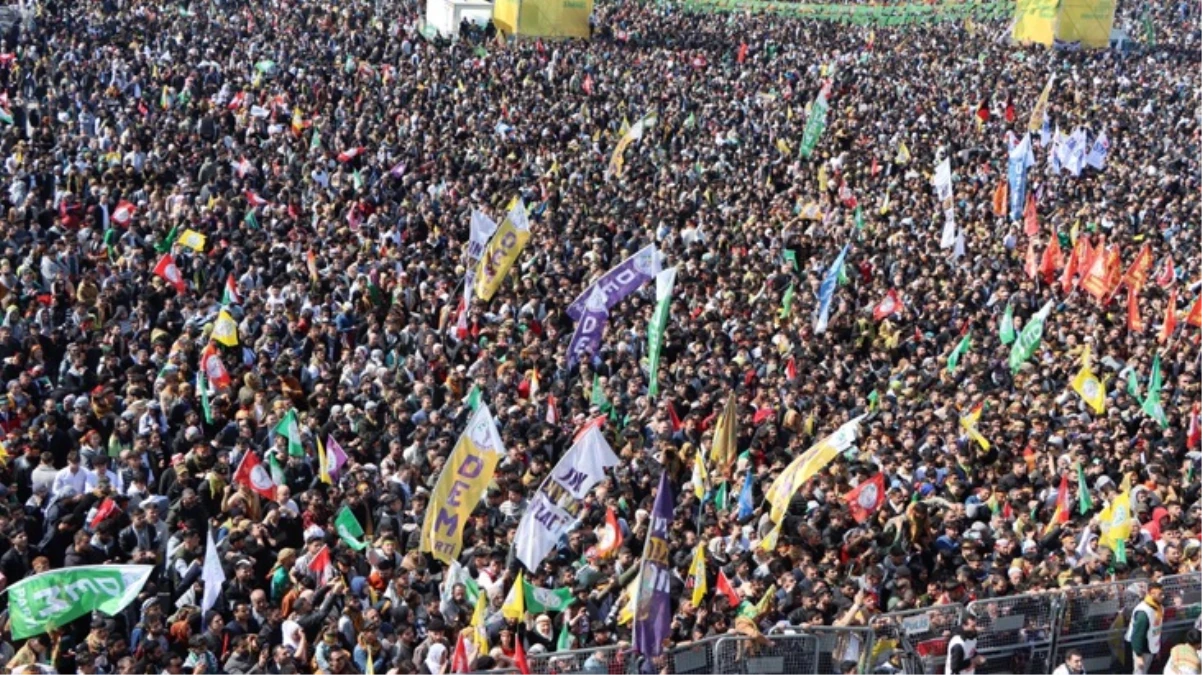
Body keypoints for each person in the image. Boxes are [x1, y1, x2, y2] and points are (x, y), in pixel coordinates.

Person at [1127, 582, 1166, 675]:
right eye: (1160, 594)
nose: (1163, 596)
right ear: (1151, 594)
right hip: (1142, 647)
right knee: (1139, 672)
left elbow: (1157, 628)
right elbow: (1137, 636)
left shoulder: (1159, 608)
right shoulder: (1143, 612)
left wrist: (1157, 648)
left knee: (1144, 670)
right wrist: (1138, 655)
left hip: (1151, 645)